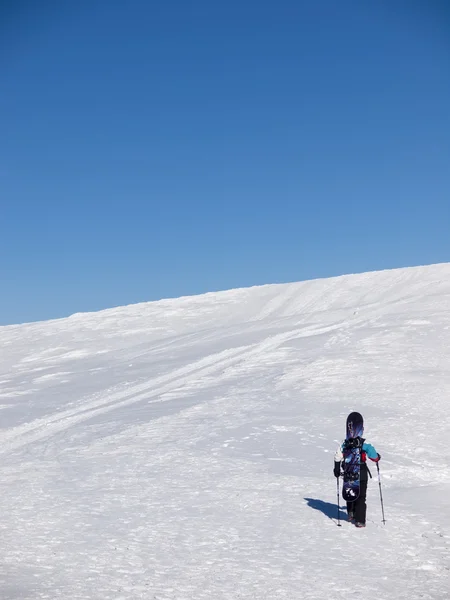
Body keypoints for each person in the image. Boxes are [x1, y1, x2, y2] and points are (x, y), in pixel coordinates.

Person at [334, 431, 380, 528]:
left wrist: (337, 468)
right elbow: (374, 456)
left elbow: (337, 457)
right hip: (361, 472)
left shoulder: (344, 444)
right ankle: (360, 520)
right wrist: (377, 457)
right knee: (361, 496)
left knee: (350, 491)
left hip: (348, 472)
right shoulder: (364, 444)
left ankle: (351, 512)